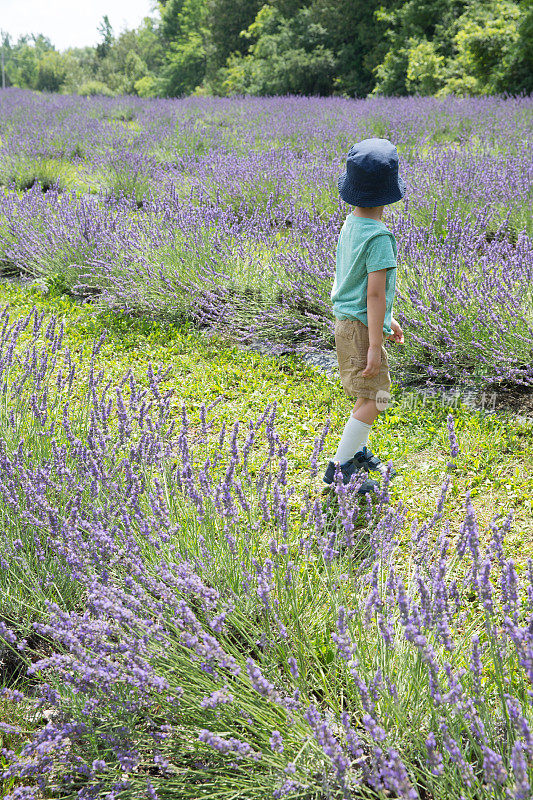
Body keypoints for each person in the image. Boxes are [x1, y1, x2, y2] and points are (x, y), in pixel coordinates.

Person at [323, 138, 406, 493]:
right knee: (377, 397)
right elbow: (373, 294)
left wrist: (388, 318)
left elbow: (359, 286)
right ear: (389, 193)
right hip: (360, 329)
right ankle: (340, 472)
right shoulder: (380, 238)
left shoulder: (350, 226)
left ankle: (354, 453)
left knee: (368, 394)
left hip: (346, 322)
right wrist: (375, 343)